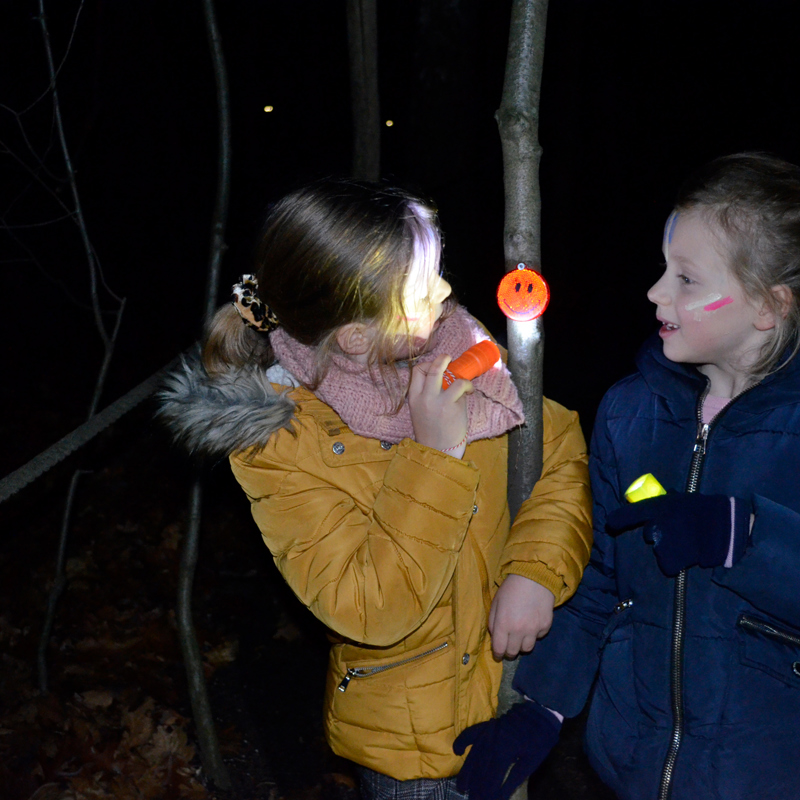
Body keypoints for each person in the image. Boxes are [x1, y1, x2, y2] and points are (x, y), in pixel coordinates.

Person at [159, 178, 592, 798]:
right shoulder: (283, 443)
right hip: (412, 747)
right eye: (422, 289)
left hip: (514, 687)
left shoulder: (458, 350)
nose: (446, 292)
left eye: (438, 271)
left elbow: (557, 452)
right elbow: (368, 604)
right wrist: (434, 453)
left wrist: (534, 571)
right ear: (357, 336)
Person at [453, 152, 800, 800]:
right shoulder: (632, 412)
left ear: (767, 306)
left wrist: (747, 537)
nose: (656, 293)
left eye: (688, 279)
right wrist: (544, 705)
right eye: (665, 268)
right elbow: (602, 580)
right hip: (634, 769)